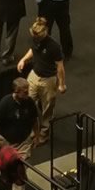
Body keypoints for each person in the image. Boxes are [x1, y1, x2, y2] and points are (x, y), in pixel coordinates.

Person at [17, 17, 65, 150]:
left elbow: (60, 66)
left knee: (47, 108)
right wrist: (23, 60)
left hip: (48, 80)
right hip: (34, 75)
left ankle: (44, 133)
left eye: (37, 36)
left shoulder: (54, 46)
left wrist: (61, 84)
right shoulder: (35, 39)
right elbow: (32, 50)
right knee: (27, 101)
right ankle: (30, 130)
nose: (35, 38)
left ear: (45, 32)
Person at [0, 76, 38, 161]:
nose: (28, 94)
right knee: (5, 168)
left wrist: (37, 135)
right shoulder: (6, 102)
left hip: (23, 143)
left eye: (28, 91)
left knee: (20, 168)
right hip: (6, 141)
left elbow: (34, 119)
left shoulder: (29, 102)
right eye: (25, 92)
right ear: (16, 91)